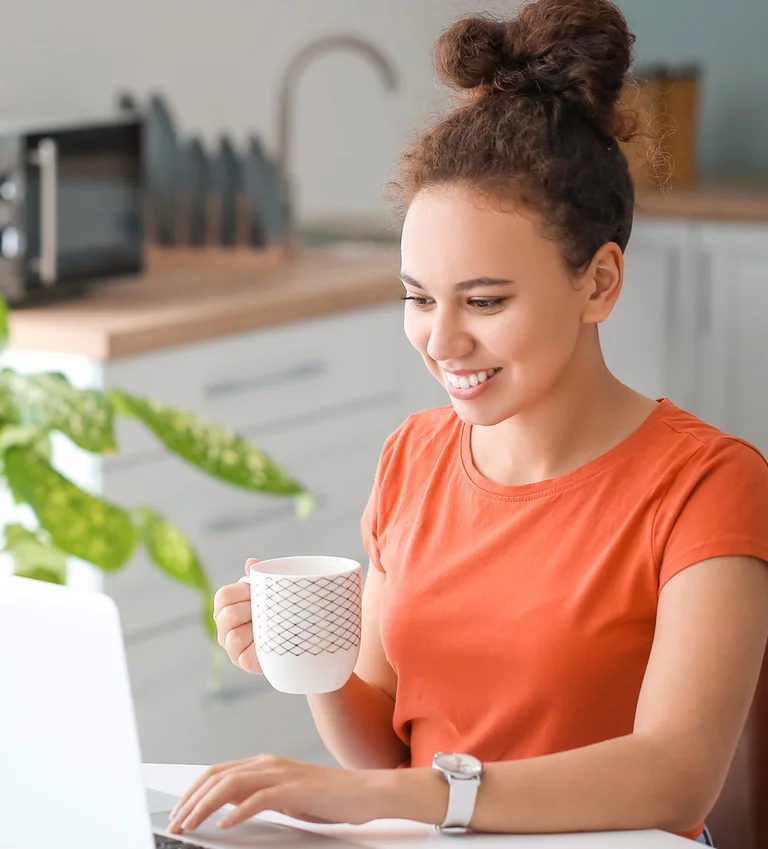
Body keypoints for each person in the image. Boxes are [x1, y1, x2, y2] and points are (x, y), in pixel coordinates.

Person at [167, 0, 768, 844]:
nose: (442, 340)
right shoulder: (412, 455)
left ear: (598, 283)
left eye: (484, 300)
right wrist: (310, 663)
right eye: (418, 298)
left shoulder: (709, 483)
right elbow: (384, 754)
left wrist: (412, 797)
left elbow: (674, 777)